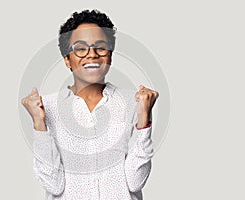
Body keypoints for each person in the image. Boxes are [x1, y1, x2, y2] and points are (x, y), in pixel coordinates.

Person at [21, 9, 158, 200]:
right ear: (67, 60)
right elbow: (53, 184)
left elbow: (135, 181)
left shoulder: (134, 102)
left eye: (100, 47)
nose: (91, 55)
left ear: (110, 55)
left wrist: (144, 121)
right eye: (80, 48)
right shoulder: (46, 107)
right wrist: (39, 123)